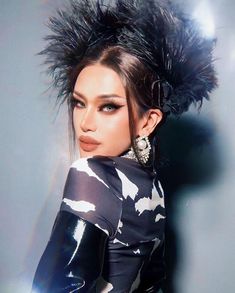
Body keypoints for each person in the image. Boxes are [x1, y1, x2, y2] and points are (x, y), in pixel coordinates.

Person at [32, 0, 217, 292]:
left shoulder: (90, 176)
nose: (85, 122)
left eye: (108, 107)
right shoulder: (153, 186)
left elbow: (60, 285)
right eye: (79, 103)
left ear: (148, 121)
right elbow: (153, 285)